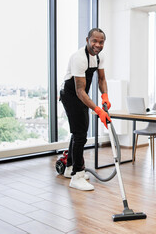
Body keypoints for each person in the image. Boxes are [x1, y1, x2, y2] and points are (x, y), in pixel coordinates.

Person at [60, 28, 112, 191]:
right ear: (87, 40)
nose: (97, 44)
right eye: (94, 41)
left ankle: (69, 168)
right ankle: (77, 176)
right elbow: (79, 91)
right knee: (81, 133)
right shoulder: (79, 58)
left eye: (101, 42)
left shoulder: (99, 56)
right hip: (70, 94)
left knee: (78, 132)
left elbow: (102, 79)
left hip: (81, 94)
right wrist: (98, 110)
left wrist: (105, 96)